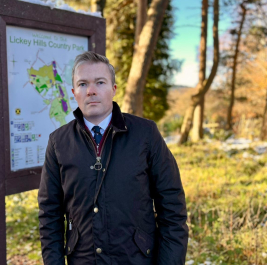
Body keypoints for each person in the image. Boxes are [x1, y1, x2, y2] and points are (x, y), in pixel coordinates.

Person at [38, 51, 188, 265]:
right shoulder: (58, 143)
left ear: (113, 89)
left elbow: (172, 208)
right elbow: (49, 214)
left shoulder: (146, 134)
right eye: (82, 84)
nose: (91, 91)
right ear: (74, 93)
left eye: (100, 82)